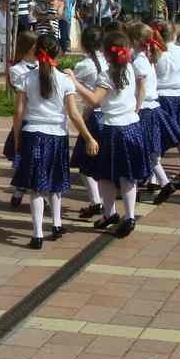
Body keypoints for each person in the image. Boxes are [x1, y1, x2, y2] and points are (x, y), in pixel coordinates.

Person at [11, 34, 97, 250]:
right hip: (57, 136)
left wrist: (17, 137)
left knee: (36, 188)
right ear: (57, 53)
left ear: (35, 52)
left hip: (33, 133)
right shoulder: (65, 80)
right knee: (55, 183)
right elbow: (74, 114)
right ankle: (56, 225)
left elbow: (19, 111)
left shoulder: (27, 78)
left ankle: (37, 234)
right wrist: (88, 136)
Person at [75, 30, 150, 238]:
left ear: (106, 54)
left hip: (112, 128)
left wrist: (75, 82)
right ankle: (130, 215)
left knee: (106, 176)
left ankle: (110, 213)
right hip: (132, 126)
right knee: (128, 176)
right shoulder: (130, 68)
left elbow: (94, 100)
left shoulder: (107, 75)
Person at [127, 22, 176, 206]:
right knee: (150, 152)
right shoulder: (146, 58)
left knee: (145, 150)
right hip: (152, 108)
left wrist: (136, 110)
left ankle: (159, 183)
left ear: (135, 41)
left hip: (145, 110)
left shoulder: (140, 61)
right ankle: (164, 183)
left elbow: (140, 90)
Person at [154, 20, 180, 192]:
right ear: (175, 35)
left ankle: (154, 179)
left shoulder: (156, 53)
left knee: (156, 139)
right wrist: (179, 80)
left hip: (161, 96)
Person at [70, 26, 107, 219]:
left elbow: (75, 91)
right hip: (110, 116)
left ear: (84, 44)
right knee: (104, 163)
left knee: (84, 163)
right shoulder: (109, 62)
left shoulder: (84, 65)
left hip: (94, 116)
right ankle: (105, 205)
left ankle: (96, 201)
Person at [3, 30, 40, 208]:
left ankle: (32, 191)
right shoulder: (16, 69)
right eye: (36, 46)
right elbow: (22, 94)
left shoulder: (44, 65)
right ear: (27, 48)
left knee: (38, 160)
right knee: (22, 159)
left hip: (42, 118)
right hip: (26, 119)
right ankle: (20, 189)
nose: (39, 49)